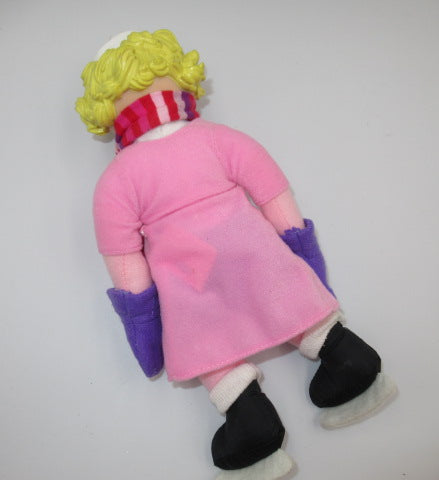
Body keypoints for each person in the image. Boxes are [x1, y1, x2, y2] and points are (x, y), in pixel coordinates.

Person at [76, 29, 397, 480]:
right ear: (179, 74)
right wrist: (305, 257)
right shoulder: (217, 137)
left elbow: (128, 272)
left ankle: (251, 425)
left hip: (188, 278)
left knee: (206, 342)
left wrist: (145, 333)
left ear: (104, 105)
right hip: (253, 250)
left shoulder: (115, 182)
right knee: (285, 295)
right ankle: (351, 363)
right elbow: (275, 195)